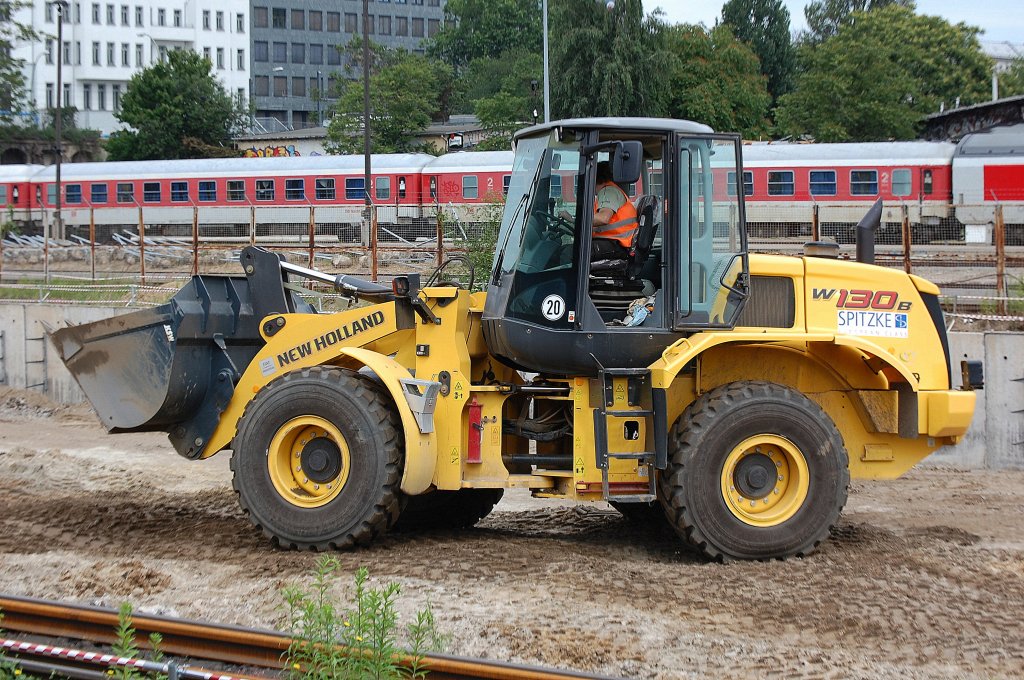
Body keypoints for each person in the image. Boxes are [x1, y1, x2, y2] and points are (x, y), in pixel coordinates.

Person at [591, 161, 638, 260]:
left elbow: (603, 218)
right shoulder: (608, 191)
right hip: (615, 243)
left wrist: (576, 219)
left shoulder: (608, 191)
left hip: (616, 244)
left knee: (570, 253)